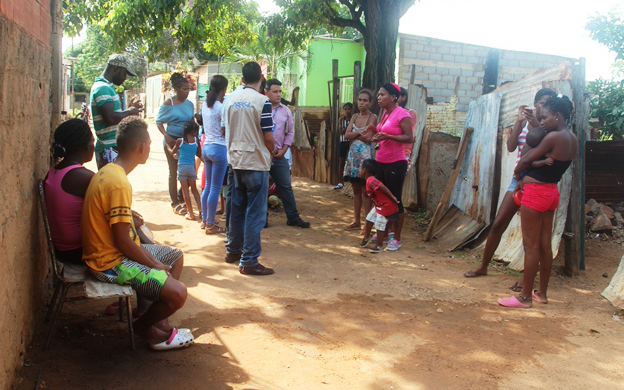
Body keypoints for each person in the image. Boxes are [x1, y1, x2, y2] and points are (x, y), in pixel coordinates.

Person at [82, 116, 194, 349]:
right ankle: (144, 328)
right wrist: (153, 264)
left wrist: (154, 259)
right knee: (178, 293)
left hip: (115, 252)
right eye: (150, 144)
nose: (150, 148)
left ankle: (158, 320)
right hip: (109, 262)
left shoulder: (110, 171)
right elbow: (122, 241)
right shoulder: (119, 183)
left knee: (175, 256)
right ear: (141, 147)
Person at [464, 88, 557, 286]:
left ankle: (527, 280)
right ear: (535, 102)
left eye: (547, 103)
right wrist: (518, 121)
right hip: (518, 179)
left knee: (530, 236)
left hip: (535, 180)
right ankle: (483, 266)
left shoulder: (549, 127)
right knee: (498, 223)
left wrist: (533, 125)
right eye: (540, 102)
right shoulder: (527, 123)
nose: (543, 107)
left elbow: (536, 150)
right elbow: (511, 146)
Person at [498, 95, 577, 308]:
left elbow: (524, 159)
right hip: (551, 192)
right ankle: (541, 293)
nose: (542, 122)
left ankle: (524, 297)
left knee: (530, 244)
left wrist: (519, 171)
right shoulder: (572, 138)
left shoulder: (553, 137)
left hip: (536, 192)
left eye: (545, 118)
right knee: (544, 245)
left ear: (558, 116)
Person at [222, 62, 276, 275]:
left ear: (242, 79)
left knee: (236, 208)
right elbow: (268, 136)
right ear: (261, 78)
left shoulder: (230, 100)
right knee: (255, 213)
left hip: (235, 160)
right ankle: (249, 260)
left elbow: (224, 128)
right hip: (256, 161)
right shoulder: (262, 101)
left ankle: (233, 250)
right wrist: (273, 151)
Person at [369, 83, 413, 251]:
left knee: (395, 200)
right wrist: (374, 131)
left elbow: (409, 137)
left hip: (395, 163)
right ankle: (385, 233)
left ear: (394, 97)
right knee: (381, 198)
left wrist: (388, 136)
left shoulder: (403, 114)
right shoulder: (385, 114)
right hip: (381, 161)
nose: (379, 98)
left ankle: (397, 238)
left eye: (382, 94)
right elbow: (383, 135)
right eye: (378, 94)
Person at [45, 119, 96, 264]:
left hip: (62, 250)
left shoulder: (53, 172)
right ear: (86, 146)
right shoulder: (82, 177)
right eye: (92, 141)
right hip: (79, 252)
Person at [265, 78, 310, 228]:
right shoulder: (260, 108)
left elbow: (290, 133)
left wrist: (284, 150)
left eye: (280, 92)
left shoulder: (286, 110)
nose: (278, 95)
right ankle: (262, 218)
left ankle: (293, 217)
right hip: (263, 155)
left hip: (279, 155)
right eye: (275, 91)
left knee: (285, 186)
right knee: (261, 187)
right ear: (267, 92)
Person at [90, 54, 143, 169]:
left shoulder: (107, 87)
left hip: (110, 148)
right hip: (108, 149)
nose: (125, 78)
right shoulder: (102, 88)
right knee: (112, 185)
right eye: (124, 73)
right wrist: (130, 112)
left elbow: (114, 115)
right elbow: (111, 118)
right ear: (116, 69)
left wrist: (129, 109)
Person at [156, 72, 195, 215]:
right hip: (172, 141)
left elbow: (191, 121)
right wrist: (166, 136)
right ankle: (175, 202)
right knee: (173, 172)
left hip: (186, 143)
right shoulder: (169, 104)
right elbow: (159, 122)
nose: (186, 92)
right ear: (177, 89)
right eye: (184, 89)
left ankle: (182, 195)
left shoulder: (190, 104)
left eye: (188, 89)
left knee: (187, 170)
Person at [343, 89, 377, 230]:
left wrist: (354, 134)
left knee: (366, 192)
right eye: (360, 100)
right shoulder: (355, 116)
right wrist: (358, 133)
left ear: (370, 103)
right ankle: (357, 221)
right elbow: (346, 135)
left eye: (365, 100)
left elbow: (369, 138)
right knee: (356, 191)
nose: (361, 102)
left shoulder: (373, 117)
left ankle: (368, 223)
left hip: (366, 160)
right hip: (353, 159)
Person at [200, 75, 229, 234]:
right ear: (224, 89)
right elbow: (225, 130)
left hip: (207, 147)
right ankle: (211, 224)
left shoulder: (205, 105)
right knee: (215, 187)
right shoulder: (221, 107)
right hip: (219, 148)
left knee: (208, 186)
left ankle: (205, 219)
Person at [359, 159, 400, 253]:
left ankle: (379, 245)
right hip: (379, 205)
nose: (360, 170)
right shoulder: (370, 180)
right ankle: (367, 237)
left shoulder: (371, 180)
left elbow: (382, 187)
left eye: (361, 168)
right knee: (369, 218)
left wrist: (392, 197)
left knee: (380, 224)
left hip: (386, 206)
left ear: (364, 170)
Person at [170, 120, 202, 221]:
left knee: (185, 191)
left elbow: (172, 152)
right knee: (194, 189)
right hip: (192, 167)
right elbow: (199, 154)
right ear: (193, 131)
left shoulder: (180, 140)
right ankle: (201, 211)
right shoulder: (196, 140)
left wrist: (167, 146)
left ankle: (191, 213)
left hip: (182, 167)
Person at [334, 102, 353, 190]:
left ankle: (350, 182)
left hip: (352, 142)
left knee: (352, 162)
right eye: (345, 109)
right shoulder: (341, 119)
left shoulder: (354, 118)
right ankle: (340, 182)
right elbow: (341, 132)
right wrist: (349, 127)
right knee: (341, 162)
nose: (347, 111)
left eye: (349, 109)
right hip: (343, 142)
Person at [398, 88, 418, 164]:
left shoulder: (411, 113)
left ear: (404, 97)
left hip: (403, 150)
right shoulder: (389, 111)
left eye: (397, 96)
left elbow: (408, 135)